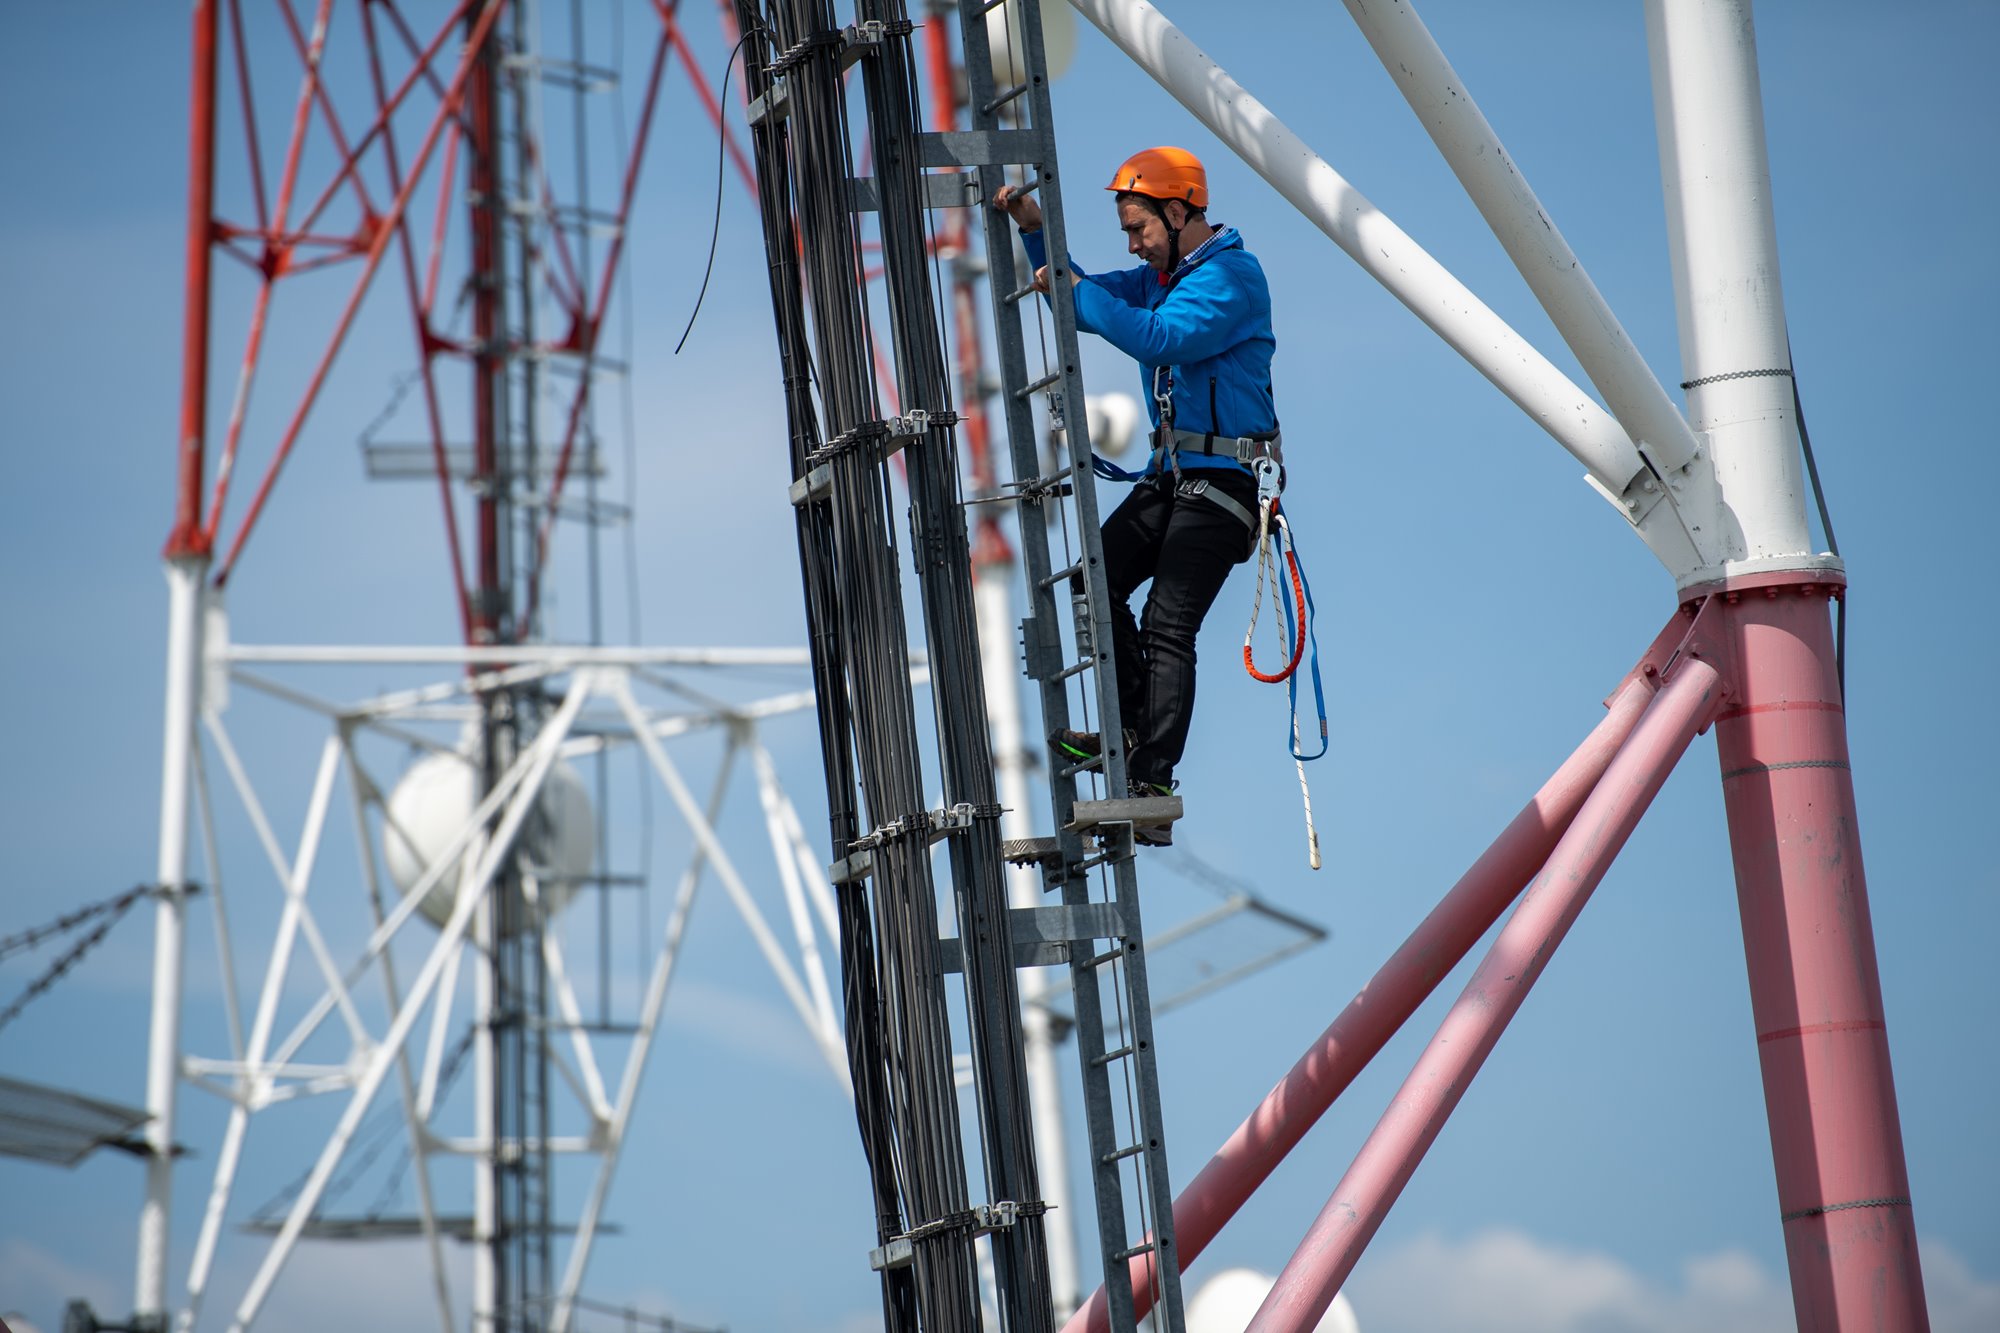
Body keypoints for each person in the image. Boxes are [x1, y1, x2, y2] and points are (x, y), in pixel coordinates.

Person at [994, 147, 1279, 847]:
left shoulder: (1232, 277)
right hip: (1178, 477)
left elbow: (1157, 335)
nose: (1132, 244)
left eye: (1138, 229)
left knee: (1167, 618)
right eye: (1126, 233)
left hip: (1228, 485)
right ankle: (1126, 735)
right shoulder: (1164, 276)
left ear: (1178, 212)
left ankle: (1151, 778)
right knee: (1099, 577)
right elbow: (1086, 290)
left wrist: (1070, 288)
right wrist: (1036, 235)